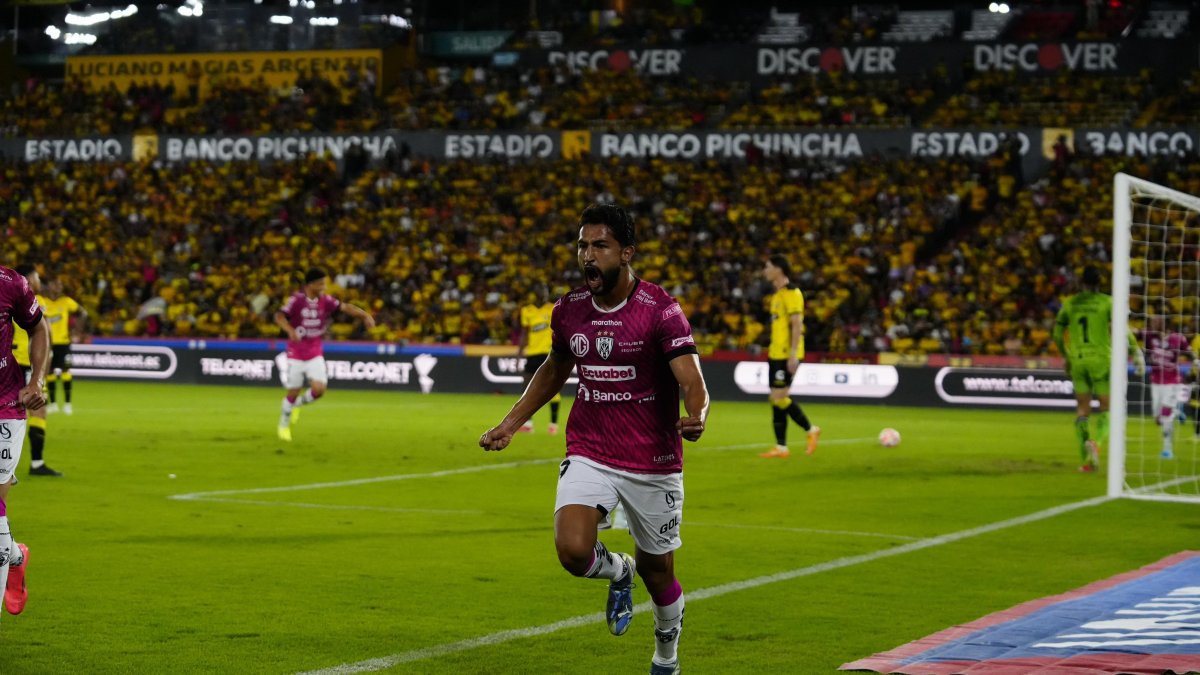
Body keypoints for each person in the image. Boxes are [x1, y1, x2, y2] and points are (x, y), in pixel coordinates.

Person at [479, 204, 709, 675]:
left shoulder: (659, 309)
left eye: (599, 246)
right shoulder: (568, 310)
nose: (588, 255)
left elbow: (691, 377)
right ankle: (616, 570)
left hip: (653, 459)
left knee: (659, 571)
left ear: (625, 253)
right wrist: (510, 423)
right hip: (591, 448)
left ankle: (666, 655)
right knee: (573, 550)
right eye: (583, 245)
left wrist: (697, 413)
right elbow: (554, 369)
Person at [1052, 266, 1143, 472]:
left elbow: (1057, 335)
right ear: (1100, 283)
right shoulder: (1107, 302)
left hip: (1078, 359)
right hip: (1102, 359)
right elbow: (1121, 328)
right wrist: (1135, 350)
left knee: (1083, 408)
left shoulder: (1070, 304)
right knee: (1107, 407)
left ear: (1081, 282)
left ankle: (1086, 461)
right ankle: (1096, 444)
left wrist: (1066, 357)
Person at [0, 264, 51, 619]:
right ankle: (16, 556)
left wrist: (37, 382)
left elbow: (39, 328)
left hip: (5, 404)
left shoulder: (9, 283)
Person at [274, 268, 375, 441]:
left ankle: (297, 405)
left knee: (319, 390)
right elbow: (279, 316)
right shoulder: (296, 300)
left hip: (314, 351)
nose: (324, 286)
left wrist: (365, 315)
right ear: (310, 284)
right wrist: (290, 330)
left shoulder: (325, 301)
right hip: (296, 352)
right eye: (321, 283)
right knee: (293, 390)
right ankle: (283, 425)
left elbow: (346, 308)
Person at [758, 255, 820, 459]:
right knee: (775, 399)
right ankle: (781, 447)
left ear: (779, 269)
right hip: (775, 352)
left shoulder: (792, 293)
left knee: (779, 397)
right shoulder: (777, 295)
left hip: (787, 354)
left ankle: (811, 429)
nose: (765, 270)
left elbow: (797, 324)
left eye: (768, 267)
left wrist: (793, 354)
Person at [11, 265, 59, 476]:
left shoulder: (10, 294)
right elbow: (43, 332)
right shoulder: (32, 299)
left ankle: (8, 468)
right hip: (24, 363)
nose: (41, 281)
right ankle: (36, 463)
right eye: (38, 277)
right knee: (37, 409)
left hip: (10, 363)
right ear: (30, 277)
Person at [1137, 315, 1194, 459]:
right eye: (1152, 321)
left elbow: (1190, 353)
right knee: (1158, 420)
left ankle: (1167, 450)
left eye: (1156, 321)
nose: (1153, 323)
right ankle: (1177, 411)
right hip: (1156, 382)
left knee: (1166, 416)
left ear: (1164, 322)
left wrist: (1197, 363)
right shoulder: (1149, 336)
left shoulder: (1177, 338)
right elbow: (1133, 332)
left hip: (1172, 382)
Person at [37, 278, 86, 415]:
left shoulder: (66, 301)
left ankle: (67, 404)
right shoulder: (43, 301)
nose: (58, 287)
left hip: (63, 343)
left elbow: (83, 313)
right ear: (49, 285)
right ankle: (52, 404)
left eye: (60, 284)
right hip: (47, 342)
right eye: (55, 283)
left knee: (66, 371)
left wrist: (77, 331)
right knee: (50, 373)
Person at [516, 285, 561, 435]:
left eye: (545, 291)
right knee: (526, 388)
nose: (543, 294)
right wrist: (519, 354)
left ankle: (553, 424)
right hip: (532, 353)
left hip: (549, 353)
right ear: (535, 294)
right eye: (541, 291)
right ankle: (528, 424)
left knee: (552, 390)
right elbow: (524, 334)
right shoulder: (527, 310)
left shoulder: (553, 307)